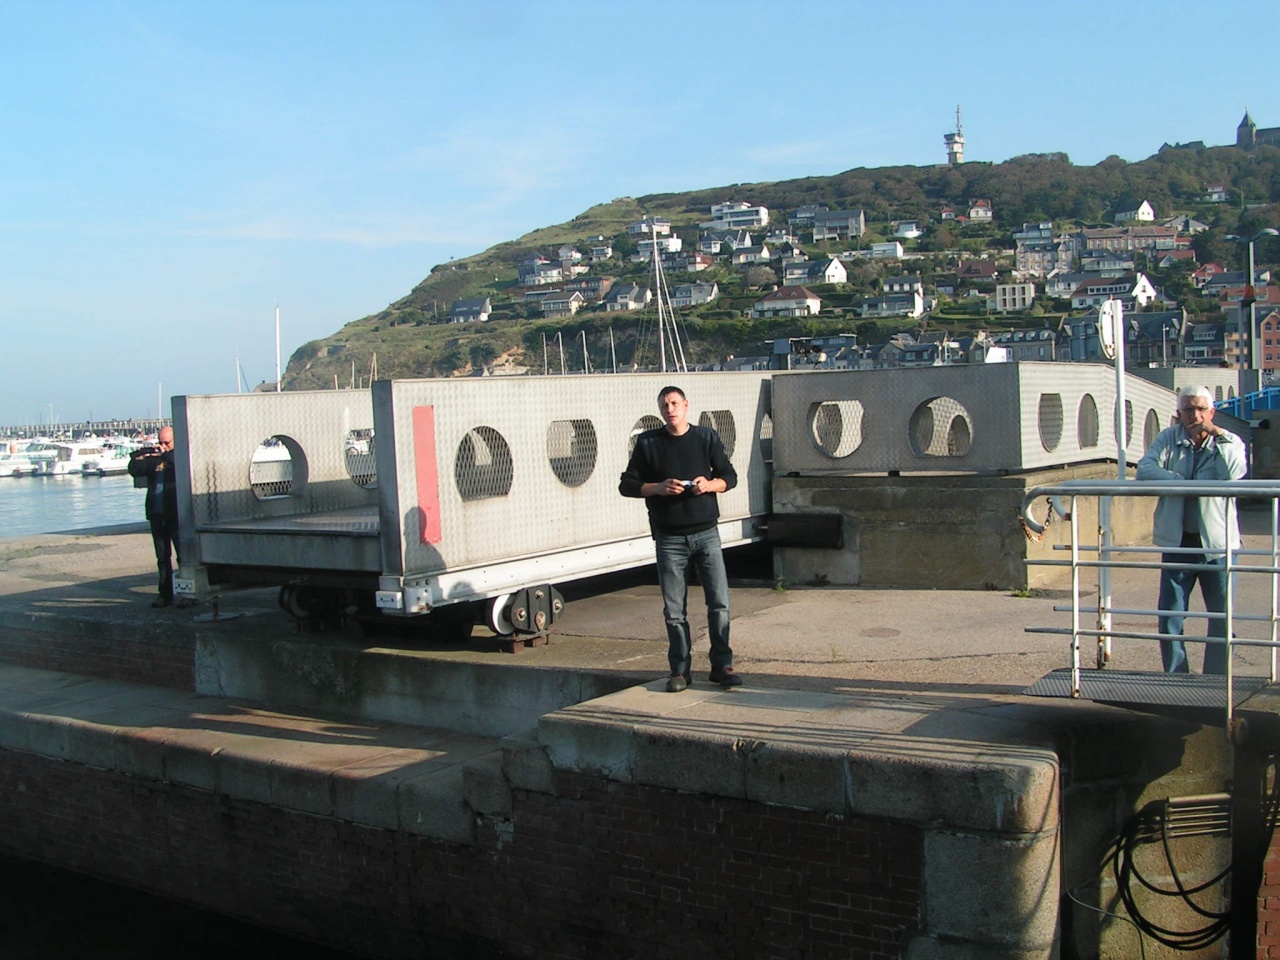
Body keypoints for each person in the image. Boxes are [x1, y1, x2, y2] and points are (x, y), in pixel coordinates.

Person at [619, 385, 741, 692]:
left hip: (706, 533)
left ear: (686, 406)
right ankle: (680, 670)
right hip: (670, 538)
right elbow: (627, 484)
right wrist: (658, 488)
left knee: (719, 603)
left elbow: (730, 476)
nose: (669, 409)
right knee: (674, 611)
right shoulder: (648, 443)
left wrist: (709, 484)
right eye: (664, 406)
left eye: (674, 403)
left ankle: (721, 666)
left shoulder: (706, 438)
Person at [1136, 385, 1245, 674]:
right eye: (1188, 409)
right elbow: (1145, 470)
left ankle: (1216, 678)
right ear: (1179, 414)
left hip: (1218, 545)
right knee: (1170, 615)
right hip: (1178, 541)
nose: (1194, 415)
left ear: (1211, 412)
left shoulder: (1229, 440)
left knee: (1223, 616)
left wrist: (1218, 437)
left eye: (1200, 409)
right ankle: (1176, 676)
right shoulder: (1168, 438)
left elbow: (1234, 473)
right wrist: (1179, 482)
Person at [128, 426, 182, 608]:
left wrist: (166, 453)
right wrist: (140, 455)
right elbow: (136, 470)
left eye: (167, 442)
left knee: (183, 556)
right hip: (157, 513)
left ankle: (188, 593)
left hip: (175, 513)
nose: (163, 446)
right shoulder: (155, 460)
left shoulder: (179, 456)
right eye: (161, 442)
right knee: (162, 557)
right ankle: (165, 594)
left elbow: (177, 464)